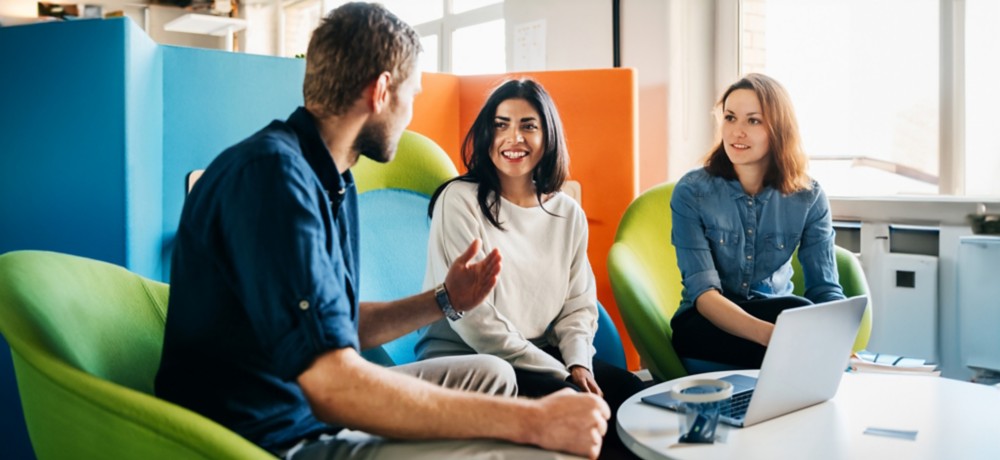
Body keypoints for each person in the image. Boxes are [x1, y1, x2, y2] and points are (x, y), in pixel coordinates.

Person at [154, 3, 609, 460]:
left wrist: (444, 299)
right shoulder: (272, 178)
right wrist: (534, 422)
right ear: (381, 91)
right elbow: (333, 385)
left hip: (314, 404)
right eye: (412, 95)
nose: (411, 114)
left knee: (491, 377)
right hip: (275, 433)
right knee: (534, 451)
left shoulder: (333, 181)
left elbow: (336, 325)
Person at [417, 78, 645, 458]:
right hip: (472, 361)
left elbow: (578, 304)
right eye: (501, 124)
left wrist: (578, 364)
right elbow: (473, 320)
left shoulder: (566, 212)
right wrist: (558, 374)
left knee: (636, 405)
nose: (513, 138)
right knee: (588, 426)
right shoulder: (459, 201)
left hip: (542, 355)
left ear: (548, 135)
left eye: (528, 126)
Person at [670, 73, 846, 369]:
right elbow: (704, 294)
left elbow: (825, 289)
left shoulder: (809, 197)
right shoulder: (692, 192)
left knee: (798, 311)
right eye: (730, 118)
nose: (737, 132)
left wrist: (838, 337)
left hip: (777, 314)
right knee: (795, 314)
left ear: (779, 129)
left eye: (753, 121)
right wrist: (773, 337)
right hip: (706, 322)